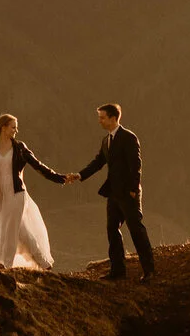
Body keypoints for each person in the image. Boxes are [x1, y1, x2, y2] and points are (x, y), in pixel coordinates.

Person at [66, 102, 155, 281]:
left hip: (128, 194)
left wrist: (132, 190)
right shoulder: (106, 140)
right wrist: (79, 175)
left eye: (102, 118)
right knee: (112, 229)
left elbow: (136, 166)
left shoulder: (129, 137)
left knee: (136, 229)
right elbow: (99, 162)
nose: (99, 121)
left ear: (113, 118)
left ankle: (149, 270)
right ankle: (118, 270)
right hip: (113, 194)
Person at [0, 113, 64, 270]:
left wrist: (59, 178)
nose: (16, 131)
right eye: (13, 127)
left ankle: (5, 263)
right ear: (3, 128)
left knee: (9, 228)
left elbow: (38, 166)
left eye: (16, 128)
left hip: (17, 192)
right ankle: (43, 262)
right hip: (0, 194)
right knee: (19, 230)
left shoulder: (19, 148)